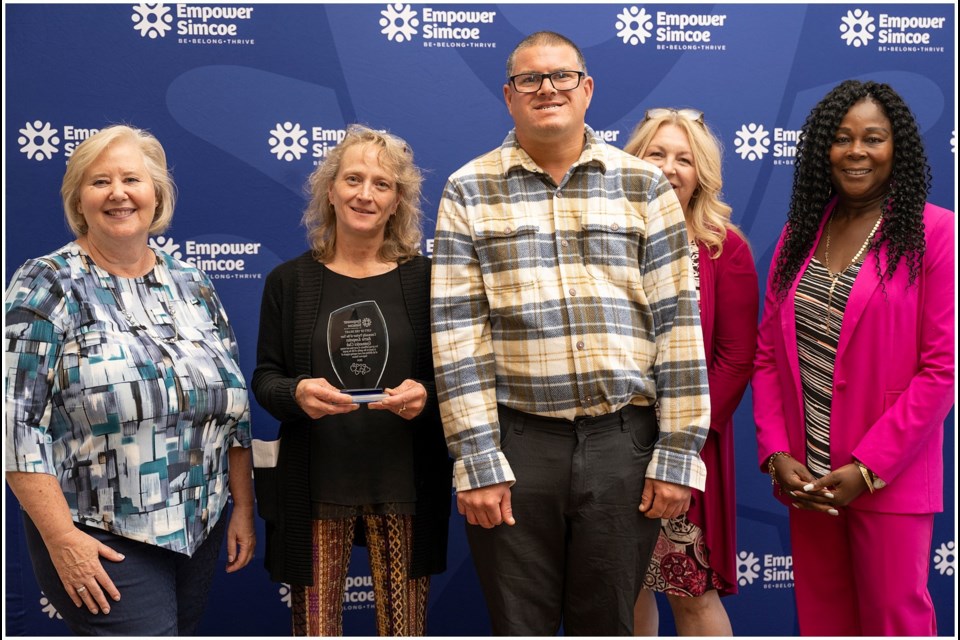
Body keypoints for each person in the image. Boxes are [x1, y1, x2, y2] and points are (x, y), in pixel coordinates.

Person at [431, 31, 710, 636]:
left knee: (609, 626)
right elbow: (458, 338)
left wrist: (679, 453)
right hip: (517, 446)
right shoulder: (468, 190)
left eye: (561, 77)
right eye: (530, 79)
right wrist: (476, 457)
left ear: (586, 90)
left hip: (623, 446)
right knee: (518, 627)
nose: (547, 89)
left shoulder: (644, 185)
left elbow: (677, 326)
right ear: (509, 96)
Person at [4, 124, 255, 635]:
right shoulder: (47, 282)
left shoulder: (192, 284)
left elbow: (235, 414)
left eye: (132, 180)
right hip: (100, 535)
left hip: (198, 530)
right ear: (79, 199)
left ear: (156, 194)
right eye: (100, 182)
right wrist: (61, 539)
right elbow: (15, 423)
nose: (118, 193)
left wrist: (244, 508)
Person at [752, 80, 954, 636]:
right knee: (824, 623)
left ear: (899, 148)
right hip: (810, 478)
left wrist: (869, 468)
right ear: (824, 148)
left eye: (873, 138)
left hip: (888, 477)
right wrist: (776, 453)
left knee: (894, 622)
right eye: (842, 138)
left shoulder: (935, 233)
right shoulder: (800, 234)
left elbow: (942, 370)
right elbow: (768, 354)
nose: (856, 151)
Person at [251, 124, 451, 636]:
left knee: (404, 631)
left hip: (406, 484)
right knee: (314, 629)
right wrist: (296, 393)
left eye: (382, 184)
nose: (365, 194)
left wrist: (426, 395)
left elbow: (453, 379)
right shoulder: (289, 282)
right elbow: (266, 379)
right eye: (354, 179)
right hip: (315, 487)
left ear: (398, 200)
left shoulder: (428, 280)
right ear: (330, 191)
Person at [624, 109, 758, 636]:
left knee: (691, 593)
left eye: (684, 158)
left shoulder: (726, 249)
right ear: (634, 160)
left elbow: (735, 359)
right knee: (621, 591)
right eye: (656, 153)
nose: (669, 167)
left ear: (701, 173)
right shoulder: (604, 239)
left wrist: (682, 441)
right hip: (608, 447)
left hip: (686, 455)